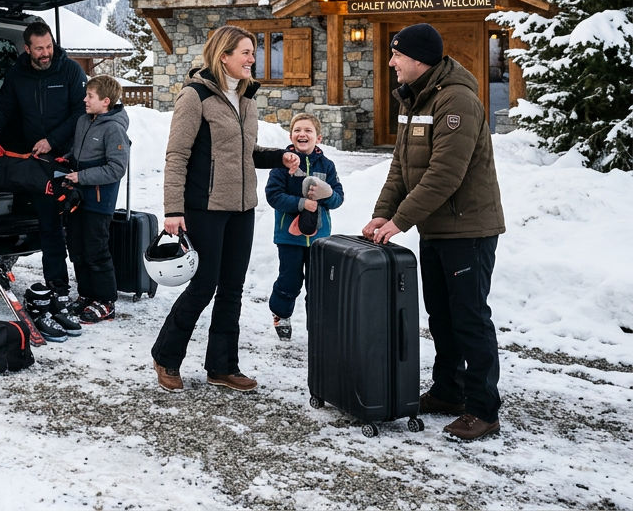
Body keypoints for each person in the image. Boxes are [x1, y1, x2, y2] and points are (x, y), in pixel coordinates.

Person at [361, 23, 505, 442]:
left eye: (396, 55)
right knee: (441, 316)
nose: (391, 62)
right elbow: (401, 168)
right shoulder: (415, 98)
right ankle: (449, 392)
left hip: (468, 229)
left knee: (469, 319)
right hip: (438, 229)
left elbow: (445, 175)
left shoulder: (457, 99)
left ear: (419, 59)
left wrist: (400, 221)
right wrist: (381, 214)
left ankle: (483, 409)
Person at [151, 25, 299, 393]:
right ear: (224, 57)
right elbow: (177, 156)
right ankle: (166, 356)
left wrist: (279, 157)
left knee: (232, 288)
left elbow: (245, 153)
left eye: (253, 52)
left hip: (242, 207)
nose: (253, 59)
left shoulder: (246, 99)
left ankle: (222, 366)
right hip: (204, 206)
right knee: (204, 286)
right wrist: (173, 209)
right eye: (246, 52)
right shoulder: (195, 96)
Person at [0, 22, 86, 298]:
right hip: (35, 162)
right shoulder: (18, 74)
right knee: (47, 224)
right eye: (39, 48)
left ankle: (74, 288)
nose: (45, 53)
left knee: (69, 229)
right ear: (27, 49)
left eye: (48, 46)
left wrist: (52, 140)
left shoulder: (71, 71)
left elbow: (80, 113)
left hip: (66, 159)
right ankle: (55, 286)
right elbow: (3, 106)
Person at [265, 111, 344, 340]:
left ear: (318, 137)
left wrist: (327, 194)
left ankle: (317, 326)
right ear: (291, 136)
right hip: (289, 237)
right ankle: (281, 313)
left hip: (320, 237)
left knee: (317, 284)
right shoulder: (282, 164)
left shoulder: (327, 165)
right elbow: (273, 195)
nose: (302, 134)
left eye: (308, 130)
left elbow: (338, 198)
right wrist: (301, 203)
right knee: (290, 280)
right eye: (297, 130)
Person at [61, 75, 130, 324]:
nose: (85, 100)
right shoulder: (84, 121)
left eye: (90, 96)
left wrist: (81, 176)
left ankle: (105, 300)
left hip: (99, 201)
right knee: (77, 248)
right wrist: (66, 160)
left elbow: (116, 168)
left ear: (106, 101)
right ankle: (86, 294)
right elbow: (80, 152)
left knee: (95, 249)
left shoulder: (114, 128)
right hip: (78, 196)